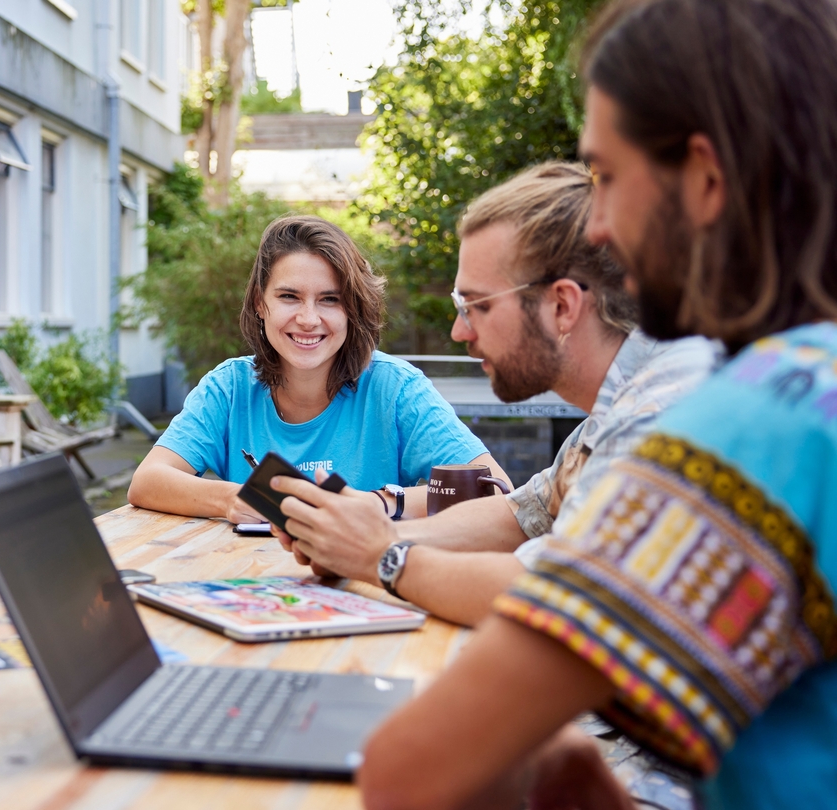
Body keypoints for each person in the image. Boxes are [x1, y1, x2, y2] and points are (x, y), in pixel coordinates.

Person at [323, 0, 837, 807]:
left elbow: (411, 769)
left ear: (703, 179)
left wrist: (385, 556)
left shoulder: (759, 427)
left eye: (606, 177)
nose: (597, 224)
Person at [276, 163, 720, 627]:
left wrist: (379, 557)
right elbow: (520, 515)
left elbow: (556, 600)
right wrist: (366, 535)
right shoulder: (615, 412)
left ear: (562, 306)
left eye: (477, 306)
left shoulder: (660, 420)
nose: (458, 331)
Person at [128, 215, 505, 525]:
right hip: (251, 587)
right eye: (289, 296)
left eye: (329, 300)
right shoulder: (228, 388)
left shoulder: (395, 388)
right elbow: (146, 481)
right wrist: (235, 496)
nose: (308, 319)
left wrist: (377, 503)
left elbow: (496, 489)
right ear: (261, 303)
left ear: (352, 309)